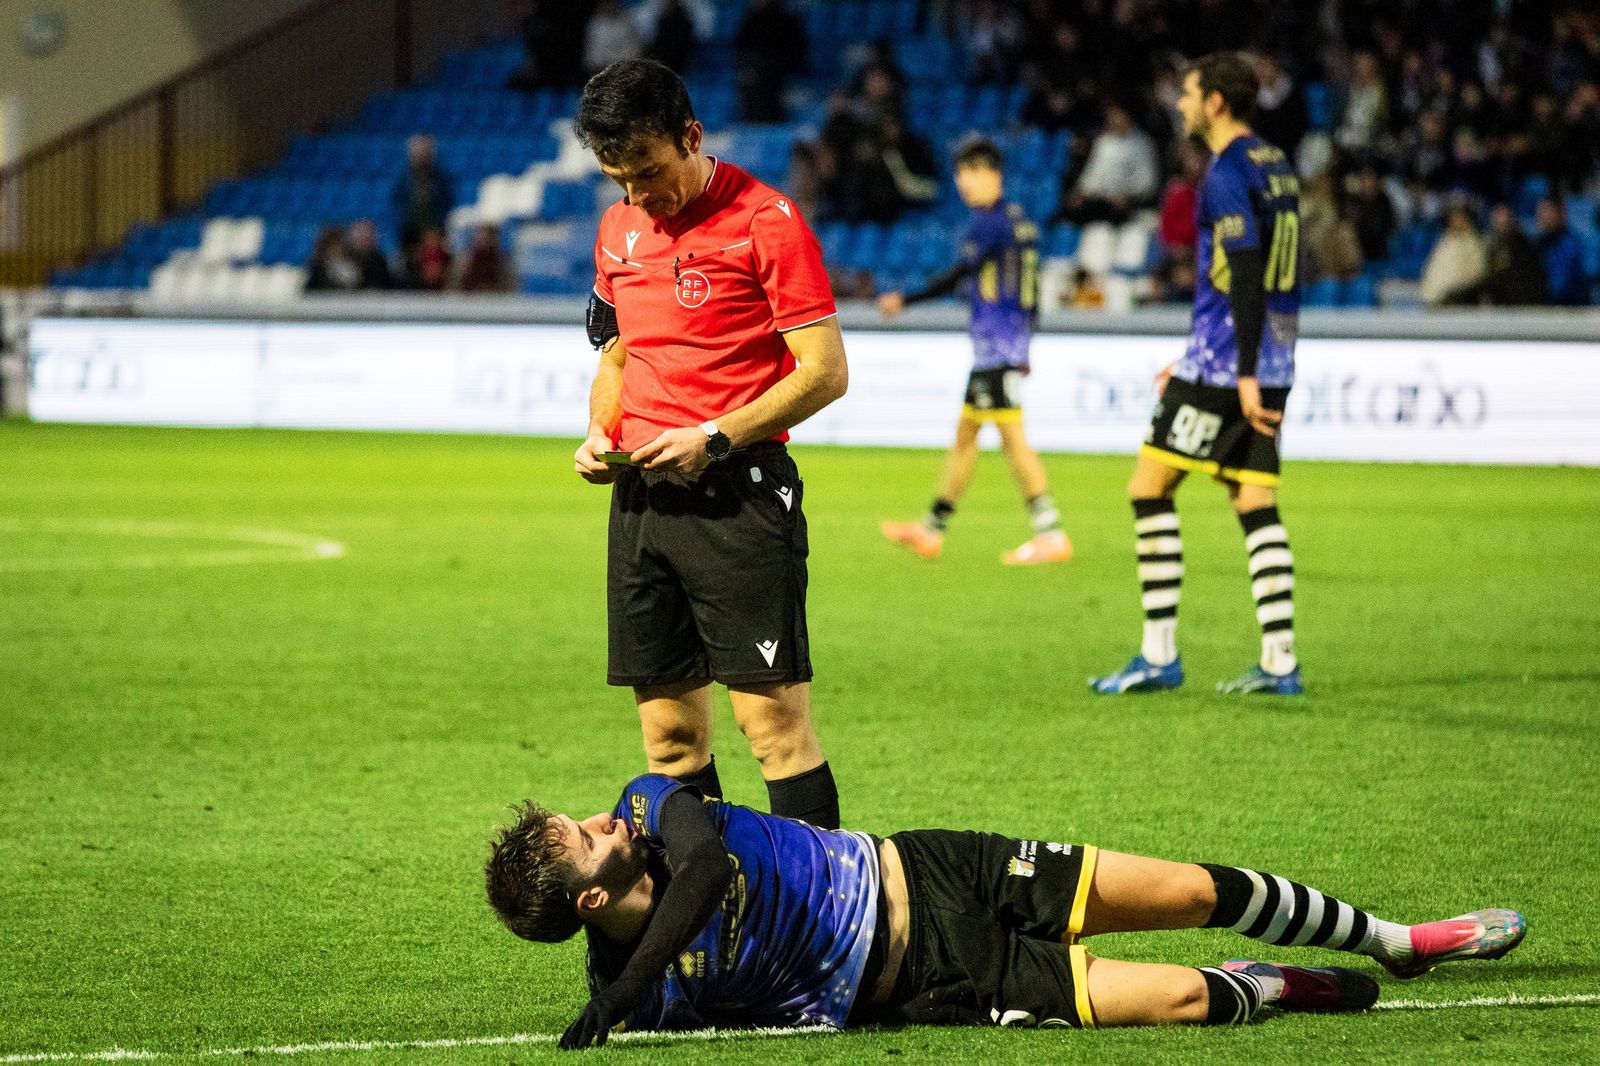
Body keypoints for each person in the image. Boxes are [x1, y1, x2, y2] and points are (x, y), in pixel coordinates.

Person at [484, 774, 1527, 1045]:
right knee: (1172, 1000)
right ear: (587, 896)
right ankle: (1273, 985)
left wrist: (627, 984)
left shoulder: (651, 809)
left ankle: (1397, 940)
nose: (595, 815)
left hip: (940, 872)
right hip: (939, 979)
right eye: (583, 838)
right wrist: (627, 996)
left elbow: (708, 876)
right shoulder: (644, 1000)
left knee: (1193, 891)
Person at [573, 60, 849, 829]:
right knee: (668, 742)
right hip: (643, 500)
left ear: (692, 136)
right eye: (619, 179)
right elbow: (617, 354)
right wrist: (601, 431)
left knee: (775, 733)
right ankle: (716, 910)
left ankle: (824, 920)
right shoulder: (617, 228)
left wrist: (715, 438)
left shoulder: (767, 222)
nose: (639, 197)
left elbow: (826, 374)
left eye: (651, 172)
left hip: (739, 494)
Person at [1090, 52, 1306, 697]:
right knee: (1253, 499)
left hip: (1227, 368)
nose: (1180, 104)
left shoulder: (1226, 173)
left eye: (1187, 94)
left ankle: (1159, 654)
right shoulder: (1278, 164)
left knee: (1148, 486)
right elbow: (1275, 269)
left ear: (1215, 102)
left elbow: (1241, 270)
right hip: (1271, 357)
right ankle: (1279, 661)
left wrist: (1232, 368)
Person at [877, 139, 1071, 566]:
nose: (961, 183)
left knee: (1013, 440)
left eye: (966, 174)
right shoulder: (1021, 223)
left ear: (989, 173)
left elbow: (958, 276)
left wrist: (905, 301)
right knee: (966, 438)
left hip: (997, 348)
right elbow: (1032, 290)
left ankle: (1051, 533)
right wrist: (1027, 344)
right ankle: (932, 530)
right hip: (1005, 346)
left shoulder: (987, 224)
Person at [1059, 101, 1160, 225]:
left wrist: (1128, 195)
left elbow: (1148, 183)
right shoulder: (1103, 142)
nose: (1112, 120)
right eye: (1110, 116)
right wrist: (1081, 192)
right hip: (1101, 204)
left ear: (1127, 117)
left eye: (1116, 116)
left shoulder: (1143, 144)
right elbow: (1092, 176)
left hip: (1131, 206)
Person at [393, 135, 453, 259]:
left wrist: (436, 227)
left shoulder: (442, 178)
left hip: (436, 230)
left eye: (425, 153)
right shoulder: (402, 179)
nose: (421, 157)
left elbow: (448, 201)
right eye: (418, 153)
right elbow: (397, 204)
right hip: (409, 232)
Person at [1535, 197, 1590, 306]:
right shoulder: (1538, 245)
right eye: (1540, 214)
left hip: (1572, 308)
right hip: (1546, 308)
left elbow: (1560, 286)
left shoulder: (1572, 244)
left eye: (1547, 212)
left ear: (1560, 214)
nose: (1542, 218)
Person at [451, 223, 517, 293]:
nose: (482, 238)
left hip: (493, 297)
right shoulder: (469, 257)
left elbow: (506, 284)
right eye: (479, 234)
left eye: (486, 235)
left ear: (493, 237)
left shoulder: (500, 259)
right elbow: (462, 282)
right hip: (471, 297)